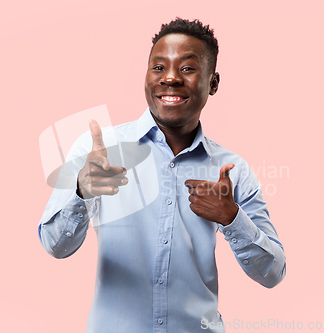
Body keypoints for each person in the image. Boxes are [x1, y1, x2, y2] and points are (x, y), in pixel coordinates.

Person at [38, 18, 286, 333]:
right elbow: (54, 245)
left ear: (213, 82)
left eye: (186, 68)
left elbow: (273, 273)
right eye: (158, 68)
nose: (170, 78)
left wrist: (233, 218)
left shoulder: (232, 170)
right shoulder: (98, 152)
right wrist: (81, 192)